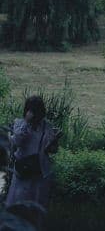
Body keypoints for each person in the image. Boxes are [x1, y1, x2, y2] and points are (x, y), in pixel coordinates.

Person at [6, 95, 61, 226]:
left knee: (36, 207)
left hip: (40, 172)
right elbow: (16, 142)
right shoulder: (19, 123)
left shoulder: (47, 126)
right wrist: (26, 122)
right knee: (18, 204)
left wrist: (53, 143)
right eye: (31, 111)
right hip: (23, 171)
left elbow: (53, 150)